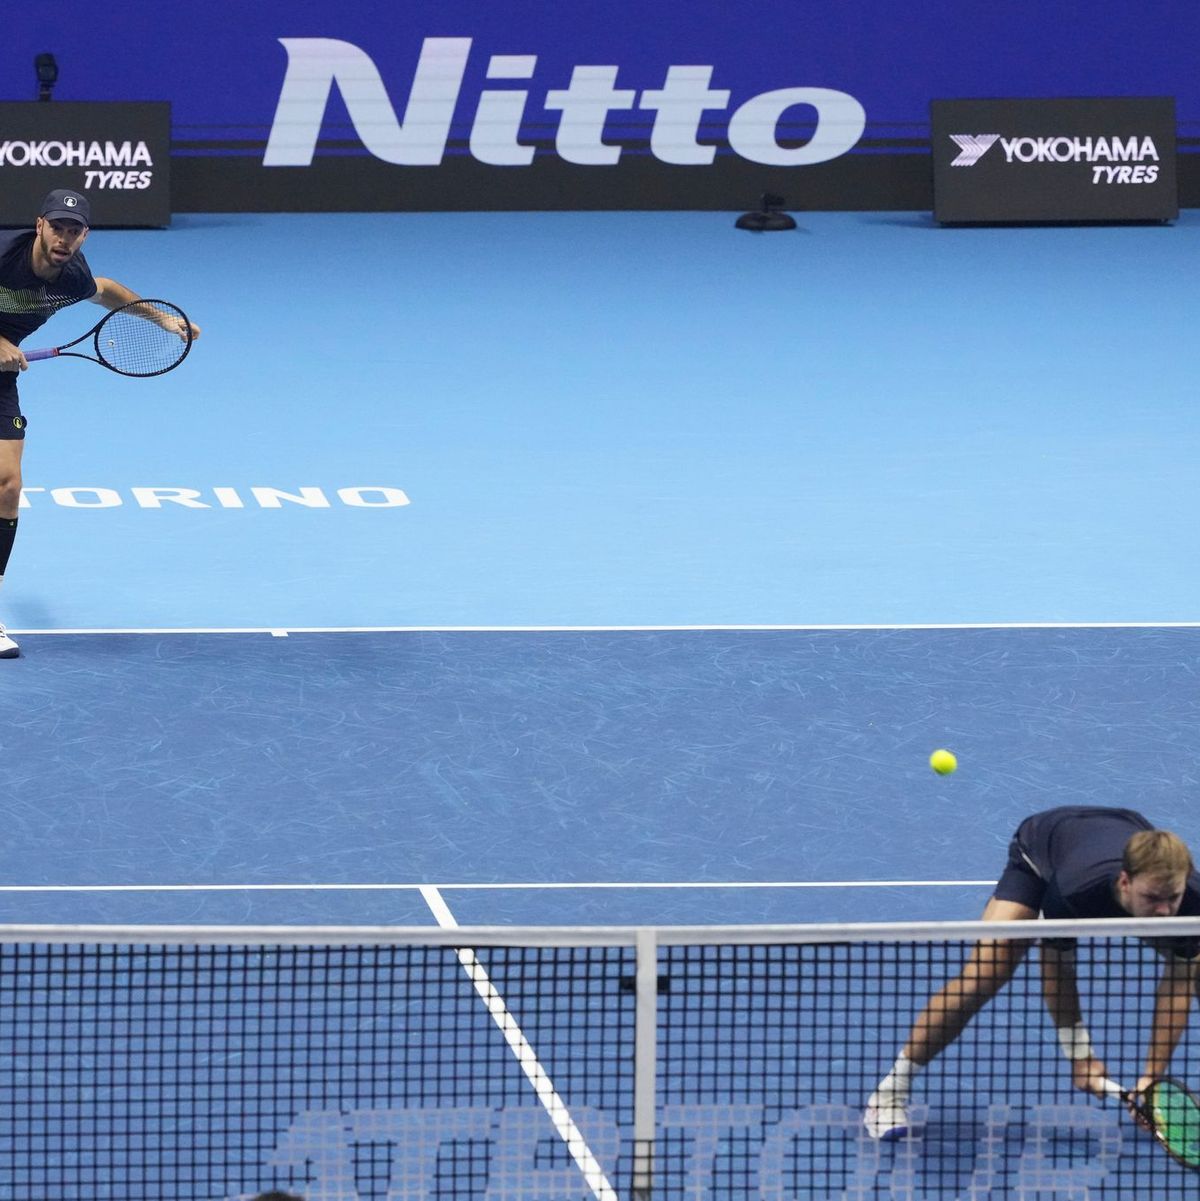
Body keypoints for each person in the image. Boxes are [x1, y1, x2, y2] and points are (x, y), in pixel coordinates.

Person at [865, 805, 1200, 1140]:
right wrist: (1080, 1055)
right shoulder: (1075, 892)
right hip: (1044, 846)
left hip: (1119, 827)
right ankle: (890, 1092)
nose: (1164, 910)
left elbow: (1177, 987)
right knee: (985, 972)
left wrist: (1153, 1079)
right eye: (1153, 898)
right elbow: (1056, 970)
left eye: (1172, 897)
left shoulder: (1191, 903)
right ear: (1126, 882)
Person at [0, 187, 200, 658]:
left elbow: (105, 290)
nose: (64, 238)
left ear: (84, 235)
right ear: (40, 224)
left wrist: (160, 321)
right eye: (57, 227)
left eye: (74, 231)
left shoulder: (72, 276)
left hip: (1, 374)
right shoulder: (4, 255)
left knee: (8, 486)